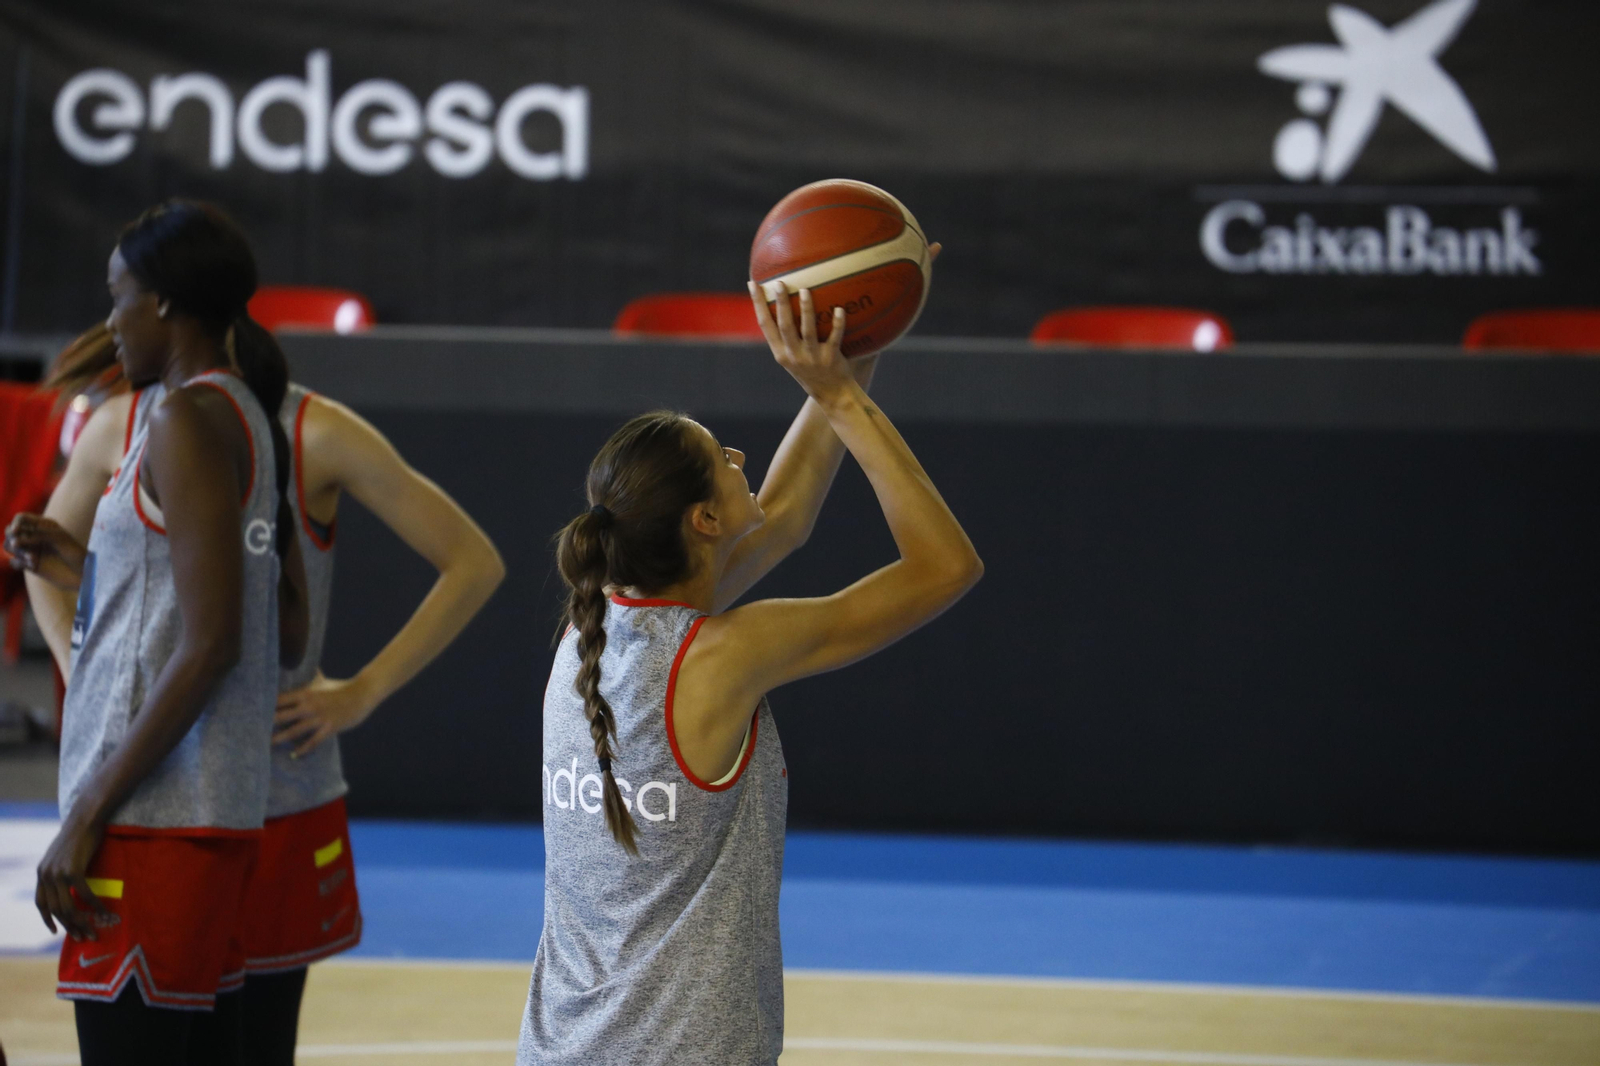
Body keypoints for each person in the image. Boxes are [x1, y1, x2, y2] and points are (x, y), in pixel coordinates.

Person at [518, 275, 982, 1065]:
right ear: (704, 520)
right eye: (723, 458)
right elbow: (946, 567)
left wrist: (854, 349)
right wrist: (842, 399)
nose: (741, 461)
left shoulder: (586, 628)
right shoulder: (724, 655)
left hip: (560, 1047)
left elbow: (787, 514)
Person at [21, 333, 507, 1066]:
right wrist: (80, 667)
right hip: (152, 798)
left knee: (253, 1044)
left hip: (274, 793)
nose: (120, 321)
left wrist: (364, 690)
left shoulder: (315, 431)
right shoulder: (120, 424)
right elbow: (44, 556)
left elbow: (473, 561)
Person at [4, 200, 308, 1064]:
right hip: (209, 816)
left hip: (150, 824)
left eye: (119, 297)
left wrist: (86, 813)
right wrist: (92, 568)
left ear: (166, 302)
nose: (110, 322)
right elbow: (280, 626)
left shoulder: (181, 420)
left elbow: (213, 644)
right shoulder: (251, 416)